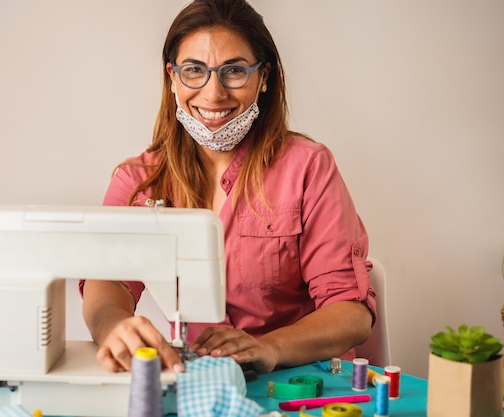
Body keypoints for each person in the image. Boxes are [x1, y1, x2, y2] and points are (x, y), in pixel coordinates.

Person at [80, 0, 376, 375]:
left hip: (294, 382)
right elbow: (107, 281)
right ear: (172, 77)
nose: (214, 92)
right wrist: (114, 326)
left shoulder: (308, 168)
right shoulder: (139, 180)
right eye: (194, 71)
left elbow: (350, 313)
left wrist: (270, 347)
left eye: (234, 71)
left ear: (264, 76)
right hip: (199, 380)